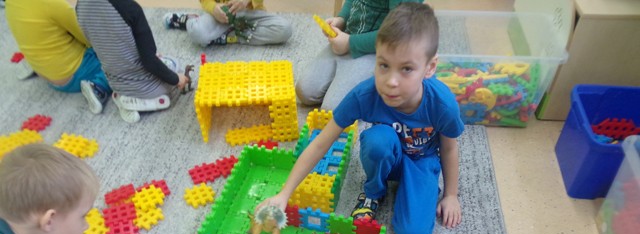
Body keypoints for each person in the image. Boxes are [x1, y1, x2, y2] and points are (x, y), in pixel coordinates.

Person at [258, 3, 464, 234]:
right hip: (385, 154)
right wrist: (284, 193)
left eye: (407, 69)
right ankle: (373, 192)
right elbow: (321, 142)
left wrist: (451, 195)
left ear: (430, 68)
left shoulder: (442, 103)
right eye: (383, 65)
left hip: (422, 160)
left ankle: (413, 187)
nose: (391, 81)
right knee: (378, 141)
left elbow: (449, 148)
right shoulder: (365, 94)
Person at [296, 0, 422, 112]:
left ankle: (379, 90)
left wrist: (350, 43)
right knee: (305, 91)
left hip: (377, 51)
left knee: (334, 109)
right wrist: (341, 19)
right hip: (348, 36)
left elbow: (398, 33)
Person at [76, 0, 189, 124]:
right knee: (174, 64)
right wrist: (176, 79)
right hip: (143, 83)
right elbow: (150, 62)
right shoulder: (129, 8)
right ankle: (138, 101)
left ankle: (122, 96)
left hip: (114, 82)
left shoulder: (79, 8)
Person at [5, 0, 113, 114]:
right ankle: (99, 86)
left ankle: (32, 62)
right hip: (73, 74)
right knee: (120, 57)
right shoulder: (55, 4)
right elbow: (90, 38)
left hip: (43, 69)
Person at [164, 0, 292, 47]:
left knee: (284, 29)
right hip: (221, 15)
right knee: (197, 33)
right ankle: (189, 20)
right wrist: (213, 8)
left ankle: (227, 36)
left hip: (250, 13)